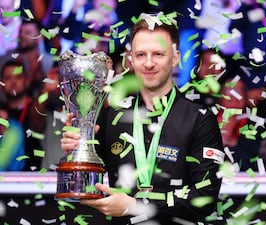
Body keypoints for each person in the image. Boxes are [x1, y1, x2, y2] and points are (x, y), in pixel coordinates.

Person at [61, 13, 225, 225]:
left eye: (158, 54)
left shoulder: (200, 119)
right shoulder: (111, 116)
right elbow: (83, 188)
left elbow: (205, 198)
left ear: (175, 57)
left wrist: (135, 206)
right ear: (131, 60)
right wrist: (76, 150)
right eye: (140, 55)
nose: (148, 63)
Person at [1, 60, 46, 171]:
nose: (13, 82)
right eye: (8, 78)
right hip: (4, 181)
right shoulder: (1, 111)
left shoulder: (36, 108)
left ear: (27, 80)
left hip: (35, 179)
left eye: (18, 77)